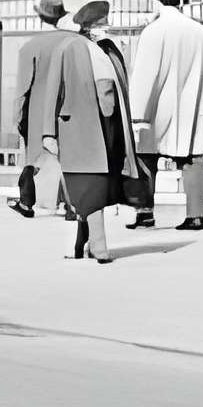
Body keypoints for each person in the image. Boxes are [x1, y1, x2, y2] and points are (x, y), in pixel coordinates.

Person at [128, 0, 203, 230]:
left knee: (145, 156)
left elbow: (145, 75)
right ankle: (195, 215)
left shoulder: (154, 31)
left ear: (156, 2)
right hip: (192, 103)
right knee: (192, 157)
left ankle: (145, 211)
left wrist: (137, 114)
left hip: (159, 106)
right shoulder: (200, 31)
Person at [43, 15, 129, 263]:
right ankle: (89, 245)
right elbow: (108, 96)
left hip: (74, 130)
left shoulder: (65, 49)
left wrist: (48, 131)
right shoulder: (100, 50)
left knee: (85, 185)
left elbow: (52, 92)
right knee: (90, 184)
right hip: (99, 130)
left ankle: (91, 245)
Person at [76, 1, 152, 225]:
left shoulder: (95, 49)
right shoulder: (111, 48)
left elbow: (105, 90)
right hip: (112, 120)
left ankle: (87, 219)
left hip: (100, 120)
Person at [4, 0, 67, 219]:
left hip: (39, 110)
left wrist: (17, 115)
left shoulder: (31, 46)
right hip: (70, 106)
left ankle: (26, 201)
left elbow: (23, 86)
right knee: (68, 157)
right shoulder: (76, 42)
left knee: (32, 157)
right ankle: (70, 204)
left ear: (41, 17)